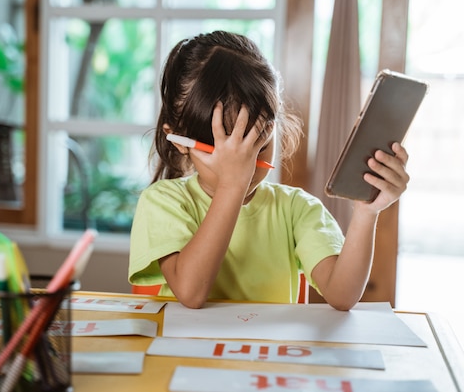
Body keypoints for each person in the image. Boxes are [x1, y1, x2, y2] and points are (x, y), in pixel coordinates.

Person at [128, 30, 409, 310]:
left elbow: (342, 295)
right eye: (225, 150)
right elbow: (190, 292)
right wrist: (232, 186)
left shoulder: (297, 209)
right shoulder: (163, 202)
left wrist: (366, 212)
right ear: (179, 141)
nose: (245, 164)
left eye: (258, 144)